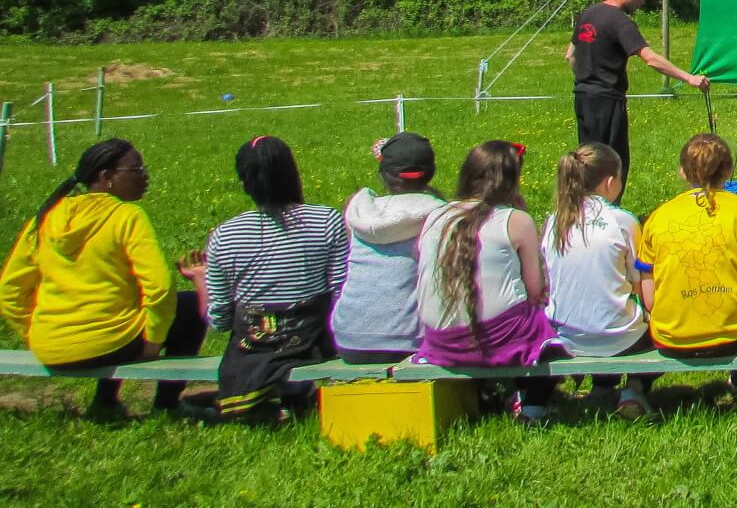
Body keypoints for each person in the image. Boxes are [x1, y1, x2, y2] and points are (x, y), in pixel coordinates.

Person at [0, 139, 206, 419]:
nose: (145, 176)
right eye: (137, 169)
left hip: (49, 346)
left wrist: (34, 333)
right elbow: (159, 288)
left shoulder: (48, 216)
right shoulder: (126, 216)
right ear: (107, 177)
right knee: (192, 305)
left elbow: (10, 289)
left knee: (123, 312)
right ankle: (167, 405)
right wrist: (153, 342)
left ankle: (106, 403)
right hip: (108, 344)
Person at [196, 135, 350, 422]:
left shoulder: (224, 236)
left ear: (244, 181)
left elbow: (219, 321)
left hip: (252, 348)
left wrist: (198, 279)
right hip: (314, 340)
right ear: (293, 173)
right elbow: (342, 291)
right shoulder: (326, 220)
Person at [414, 140, 560, 425]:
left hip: (440, 339)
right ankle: (533, 404)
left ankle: (490, 393)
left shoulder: (436, 215)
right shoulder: (516, 220)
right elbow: (535, 289)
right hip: (497, 337)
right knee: (548, 326)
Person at [565, 0, 711, 190]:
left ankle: (583, 207)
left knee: (586, 159)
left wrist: (587, 77)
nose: (642, 3)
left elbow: (570, 55)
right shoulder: (620, 21)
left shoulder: (589, 13)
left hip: (583, 98)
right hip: (607, 101)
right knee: (612, 163)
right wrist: (689, 78)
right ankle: (608, 213)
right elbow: (650, 59)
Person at [543, 143, 654, 419]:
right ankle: (634, 388)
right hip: (622, 337)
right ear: (609, 182)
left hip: (566, 338)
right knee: (663, 327)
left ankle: (602, 386)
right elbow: (638, 282)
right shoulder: (623, 220)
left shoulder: (554, 221)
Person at [635, 134, 737, 359]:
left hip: (672, 338)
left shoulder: (657, 217)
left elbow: (650, 301)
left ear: (683, 173)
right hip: (736, 336)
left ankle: (635, 388)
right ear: (728, 170)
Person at [330, 132, 443, 363]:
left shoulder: (359, 210)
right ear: (431, 172)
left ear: (383, 175)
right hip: (410, 338)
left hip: (349, 337)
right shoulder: (439, 214)